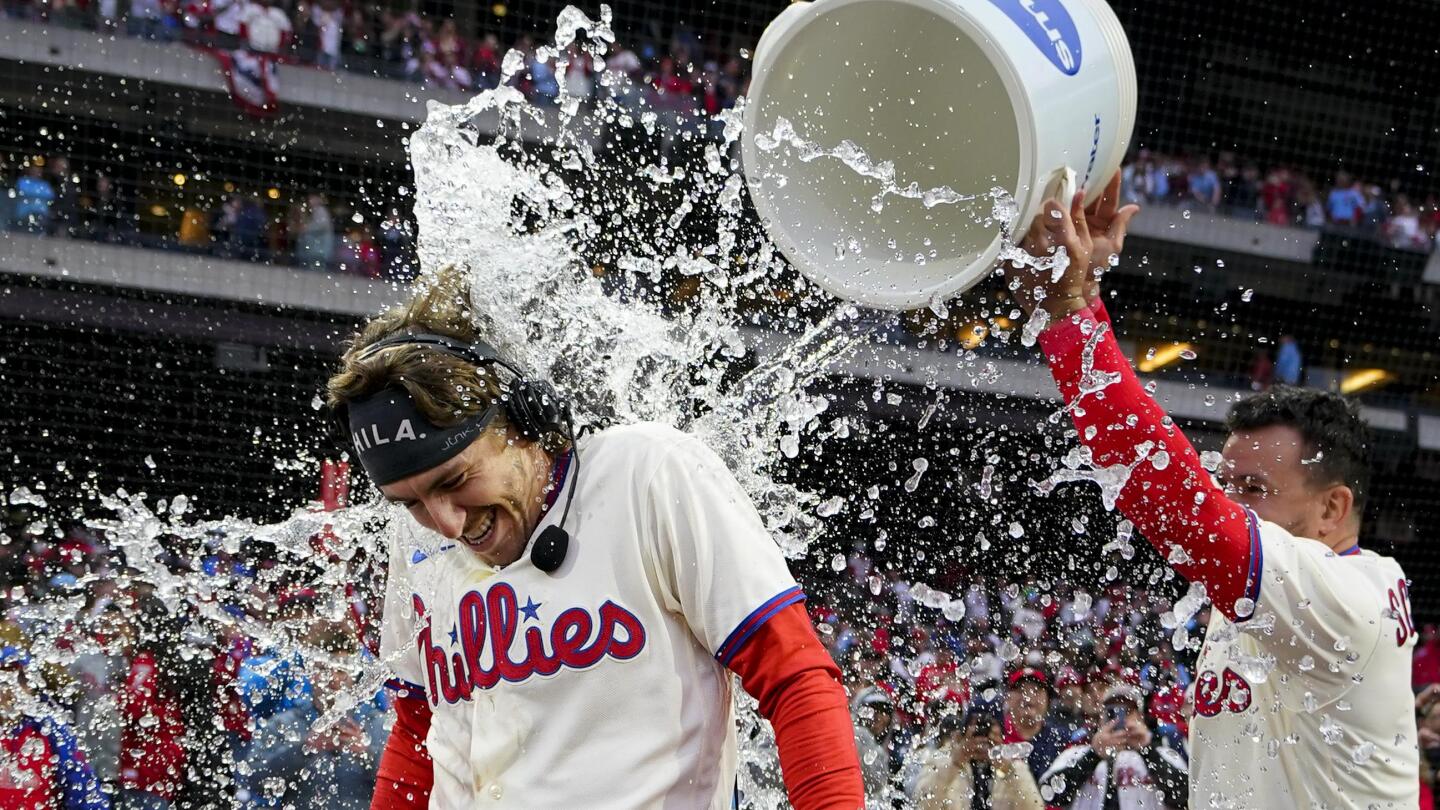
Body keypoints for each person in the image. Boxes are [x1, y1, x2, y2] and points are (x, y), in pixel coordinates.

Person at [325, 270, 863, 808]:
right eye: (410, 501)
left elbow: (795, 676)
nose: (444, 523)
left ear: (521, 416)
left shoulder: (647, 475)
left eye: (456, 480)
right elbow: (420, 731)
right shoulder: (415, 544)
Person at [1008, 171, 1419, 807]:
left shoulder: (1345, 599)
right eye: (1226, 482)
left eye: (1252, 487)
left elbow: (1177, 499)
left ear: (1332, 506)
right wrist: (1082, 289)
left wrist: (1069, 315)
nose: (1229, 503)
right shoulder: (1288, 597)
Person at [1038, 683, 1188, 810]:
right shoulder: (1077, 753)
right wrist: (1094, 755)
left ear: (1140, 717)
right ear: (1100, 718)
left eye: (1127, 712)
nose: (1119, 719)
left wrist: (1148, 751)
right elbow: (1048, 793)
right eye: (1111, 712)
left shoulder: (1163, 753)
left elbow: (1185, 796)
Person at [912, 708, 1044, 809]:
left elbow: (1035, 807)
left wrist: (1006, 770)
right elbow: (922, 804)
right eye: (977, 732)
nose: (982, 740)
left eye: (989, 733)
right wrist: (955, 763)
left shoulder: (1014, 767)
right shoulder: (942, 759)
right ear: (963, 734)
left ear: (1002, 737)